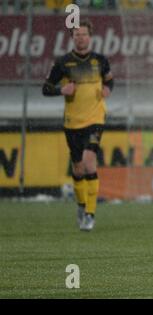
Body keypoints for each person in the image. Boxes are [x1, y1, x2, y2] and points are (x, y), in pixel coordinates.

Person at [42, 20, 113, 231]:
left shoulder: (100, 60)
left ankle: (90, 214)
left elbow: (109, 81)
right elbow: (46, 88)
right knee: (78, 168)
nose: (80, 38)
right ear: (72, 38)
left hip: (96, 119)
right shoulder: (63, 63)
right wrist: (60, 91)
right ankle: (81, 206)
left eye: (84, 34)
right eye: (77, 35)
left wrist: (107, 89)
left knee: (89, 161)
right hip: (72, 122)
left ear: (90, 37)